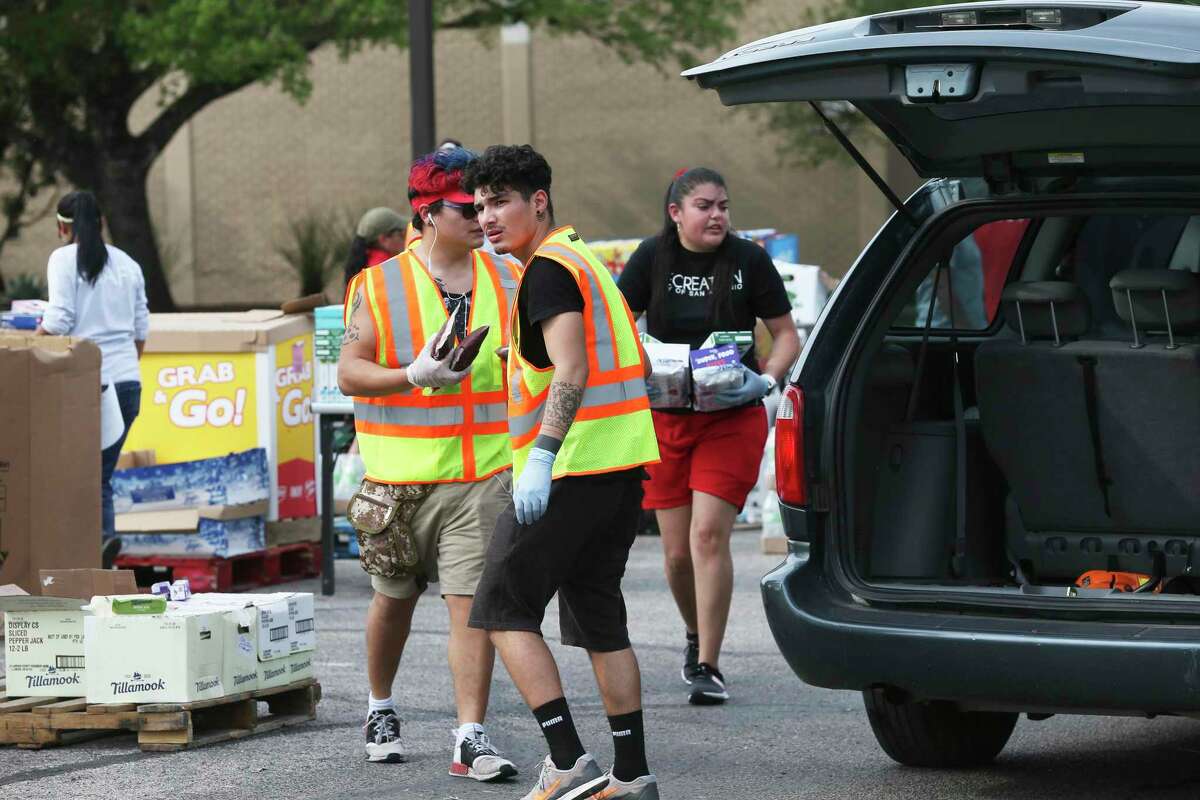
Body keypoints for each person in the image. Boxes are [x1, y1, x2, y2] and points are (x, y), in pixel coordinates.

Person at [464, 144, 662, 800]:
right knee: (600, 620)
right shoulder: (584, 261)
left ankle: (569, 759)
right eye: (480, 205)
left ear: (538, 201)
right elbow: (610, 362)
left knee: (499, 606)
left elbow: (573, 369)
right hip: (620, 469)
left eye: (501, 201)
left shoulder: (546, 270)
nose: (487, 217)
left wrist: (543, 456)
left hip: (573, 470)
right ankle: (631, 776)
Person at [337, 145, 522, 780]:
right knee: (393, 601)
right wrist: (412, 374)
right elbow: (349, 372)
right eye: (466, 205)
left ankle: (470, 734)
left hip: (484, 477)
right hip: (400, 483)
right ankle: (379, 705)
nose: (481, 215)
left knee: (473, 607)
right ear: (427, 214)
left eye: (488, 202)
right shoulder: (377, 284)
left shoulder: (510, 277)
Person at [617, 167, 800, 706]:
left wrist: (766, 380)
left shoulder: (749, 261)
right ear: (676, 213)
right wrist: (641, 363)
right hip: (666, 417)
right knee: (675, 555)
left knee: (706, 538)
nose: (717, 215)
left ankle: (707, 664)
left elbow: (785, 334)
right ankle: (694, 632)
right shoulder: (652, 257)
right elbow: (619, 321)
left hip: (730, 417)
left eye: (723, 205)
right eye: (704, 205)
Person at [37, 190, 149, 569]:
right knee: (98, 471)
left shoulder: (62, 259)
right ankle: (101, 548)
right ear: (100, 222)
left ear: (62, 227)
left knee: (87, 473)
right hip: (127, 382)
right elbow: (140, 330)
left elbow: (58, 321)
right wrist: (125, 372)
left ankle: (99, 544)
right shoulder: (128, 264)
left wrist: (25, 346)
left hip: (89, 383)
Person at [342, 206, 408, 302]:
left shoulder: (365, 265)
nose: (405, 238)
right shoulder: (387, 269)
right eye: (401, 234)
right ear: (383, 239)